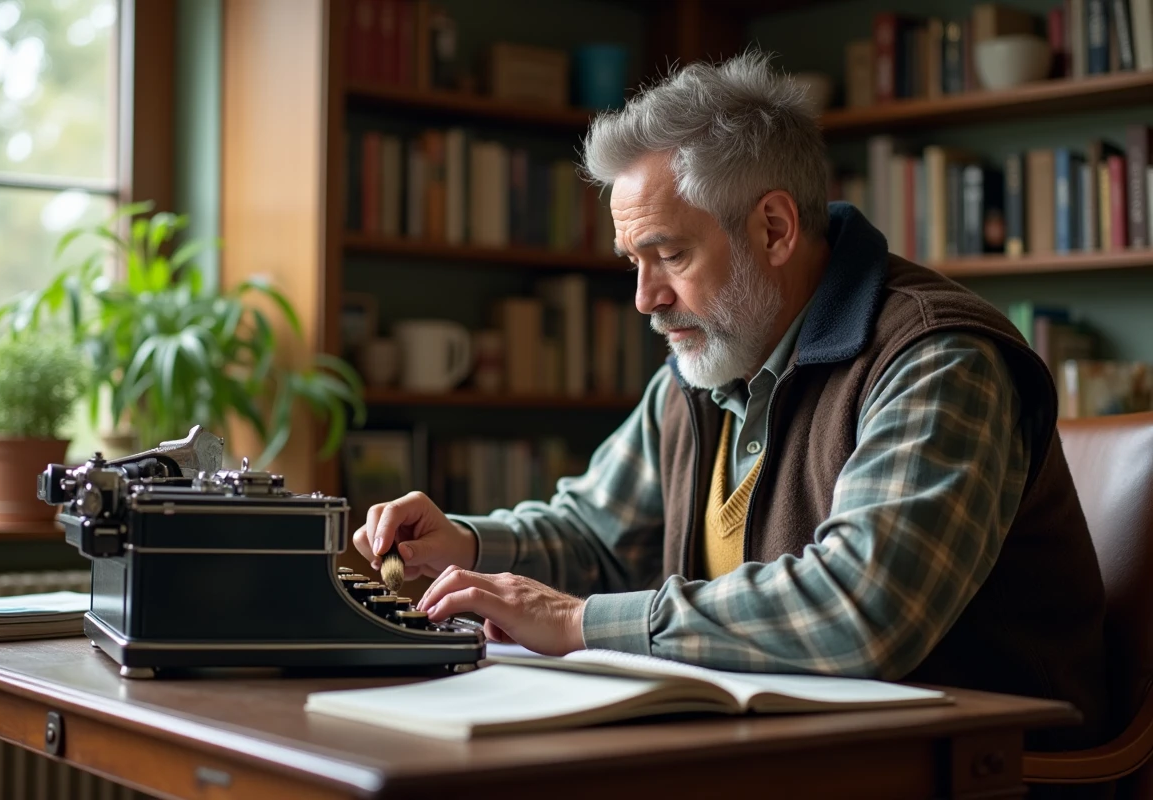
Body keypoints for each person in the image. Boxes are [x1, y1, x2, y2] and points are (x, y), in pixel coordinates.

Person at [353, 51, 1107, 752]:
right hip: (781, 756)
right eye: (634, 262)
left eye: (670, 254)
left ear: (774, 229)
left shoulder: (939, 360)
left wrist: (577, 622)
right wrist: (469, 547)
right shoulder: (705, 366)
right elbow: (596, 532)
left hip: (975, 769)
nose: (646, 299)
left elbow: (861, 611)